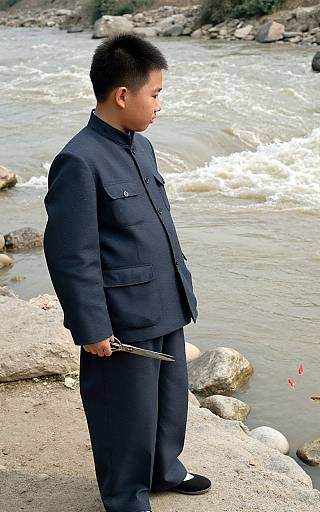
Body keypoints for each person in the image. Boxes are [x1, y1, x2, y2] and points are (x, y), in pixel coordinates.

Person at [42, 33, 211, 512]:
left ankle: (165, 470)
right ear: (122, 95)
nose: (159, 104)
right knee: (125, 414)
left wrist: (181, 292)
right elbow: (72, 254)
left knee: (167, 402)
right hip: (120, 318)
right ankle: (125, 495)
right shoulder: (79, 160)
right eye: (155, 94)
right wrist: (91, 327)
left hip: (163, 301)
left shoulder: (141, 147)